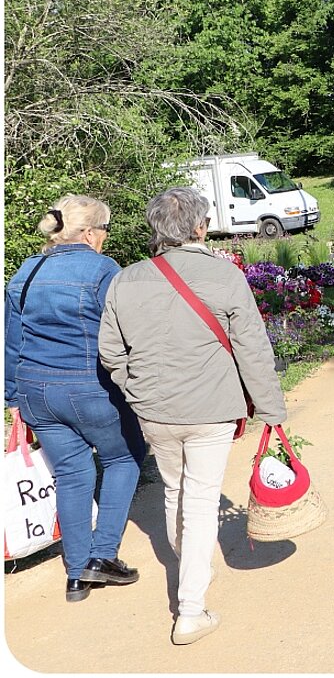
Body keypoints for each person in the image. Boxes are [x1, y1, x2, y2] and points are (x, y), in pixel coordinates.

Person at [99, 187, 286, 646]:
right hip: (211, 409)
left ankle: (192, 570)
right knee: (200, 500)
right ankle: (190, 608)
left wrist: (135, 390)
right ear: (200, 227)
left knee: (175, 492)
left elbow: (110, 351)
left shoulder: (126, 280)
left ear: (155, 228)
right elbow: (253, 350)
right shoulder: (224, 277)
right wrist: (272, 410)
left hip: (155, 411)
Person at [4, 196, 146, 604]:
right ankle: (103, 556)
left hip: (36, 391)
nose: (104, 239)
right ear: (88, 233)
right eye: (104, 231)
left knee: (72, 474)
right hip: (90, 387)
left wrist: (12, 395)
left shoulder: (26, 270)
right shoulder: (103, 270)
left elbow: (12, 339)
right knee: (123, 458)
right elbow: (123, 334)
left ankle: (76, 575)